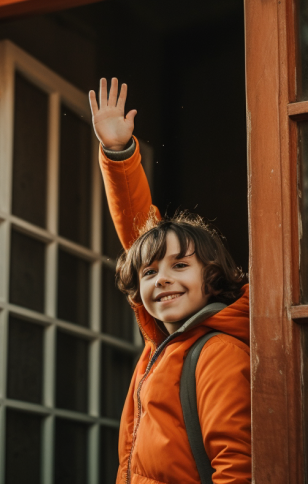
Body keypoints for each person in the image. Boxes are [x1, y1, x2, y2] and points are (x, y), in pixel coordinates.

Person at [89, 78, 251, 484]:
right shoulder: (161, 346)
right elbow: (138, 233)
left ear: (212, 278)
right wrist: (118, 152)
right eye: (150, 272)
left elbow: (237, 466)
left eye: (180, 266)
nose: (162, 279)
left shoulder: (219, 352)